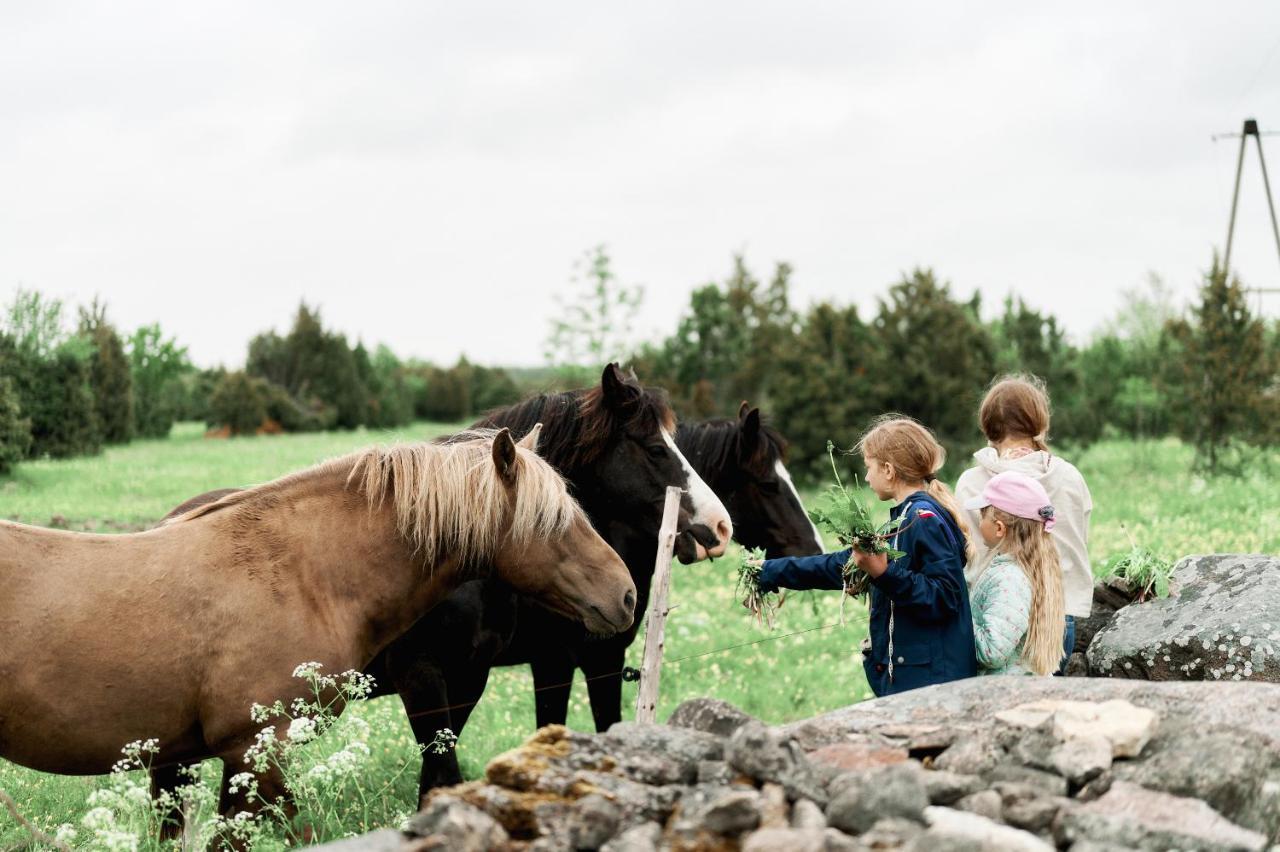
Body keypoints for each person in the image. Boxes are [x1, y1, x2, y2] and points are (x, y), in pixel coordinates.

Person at [754, 416, 976, 697]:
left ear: (888, 469)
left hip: (934, 686)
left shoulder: (924, 519)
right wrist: (768, 571)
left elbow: (945, 597)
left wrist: (884, 573)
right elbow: (838, 566)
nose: (868, 477)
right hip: (918, 681)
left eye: (868, 467)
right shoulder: (902, 520)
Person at [955, 375, 1092, 671]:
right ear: (1040, 422)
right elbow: (1079, 541)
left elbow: (964, 554)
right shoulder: (1069, 478)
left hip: (992, 617)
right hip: (1057, 613)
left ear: (988, 425)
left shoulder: (971, 483)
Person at [963, 471, 1066, 676]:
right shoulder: (1023, 569)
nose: (979, 522)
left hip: (1003, 693)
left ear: (999, 528)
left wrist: (958, 613)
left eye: (983, 515)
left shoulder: (1010, 579)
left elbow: (992, 651)